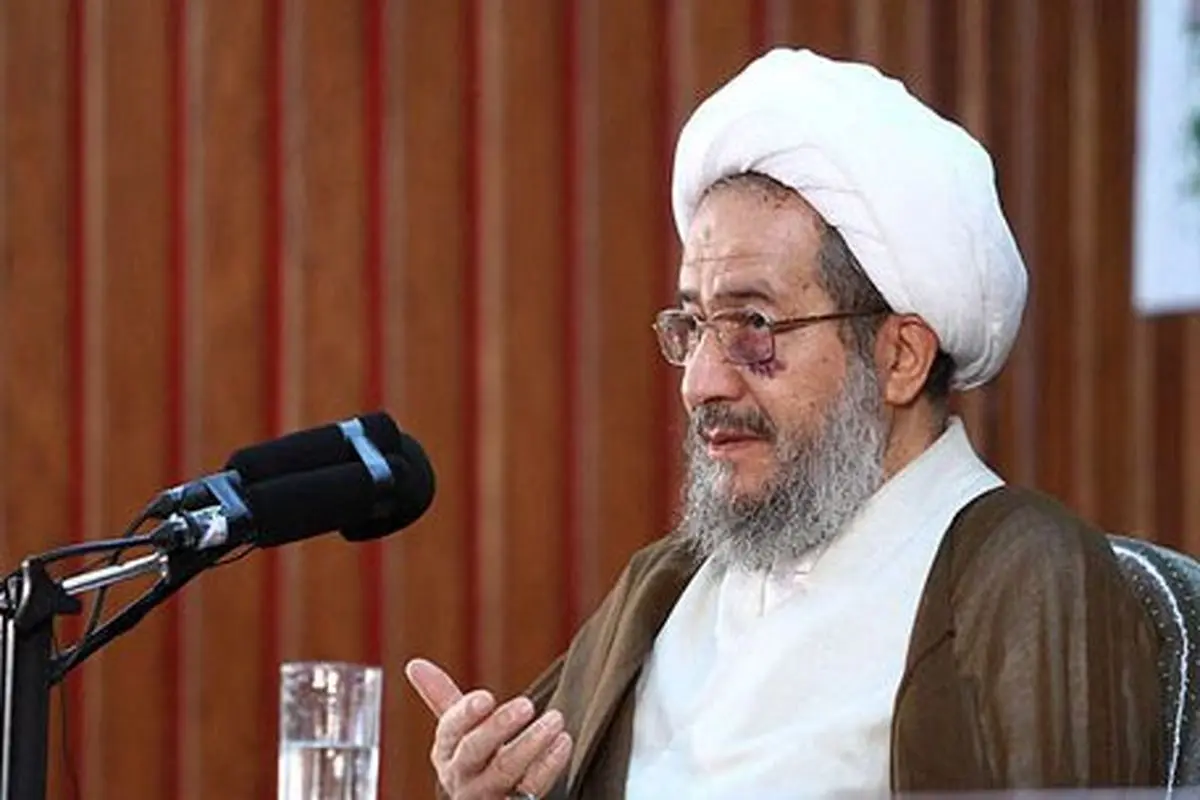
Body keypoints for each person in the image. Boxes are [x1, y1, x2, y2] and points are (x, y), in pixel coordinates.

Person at [405, 48, 1163, 799]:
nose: (700, 383)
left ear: (900, 357)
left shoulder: (1022, 571)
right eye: (695, 326)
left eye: (754, 326)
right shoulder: (669, 585)